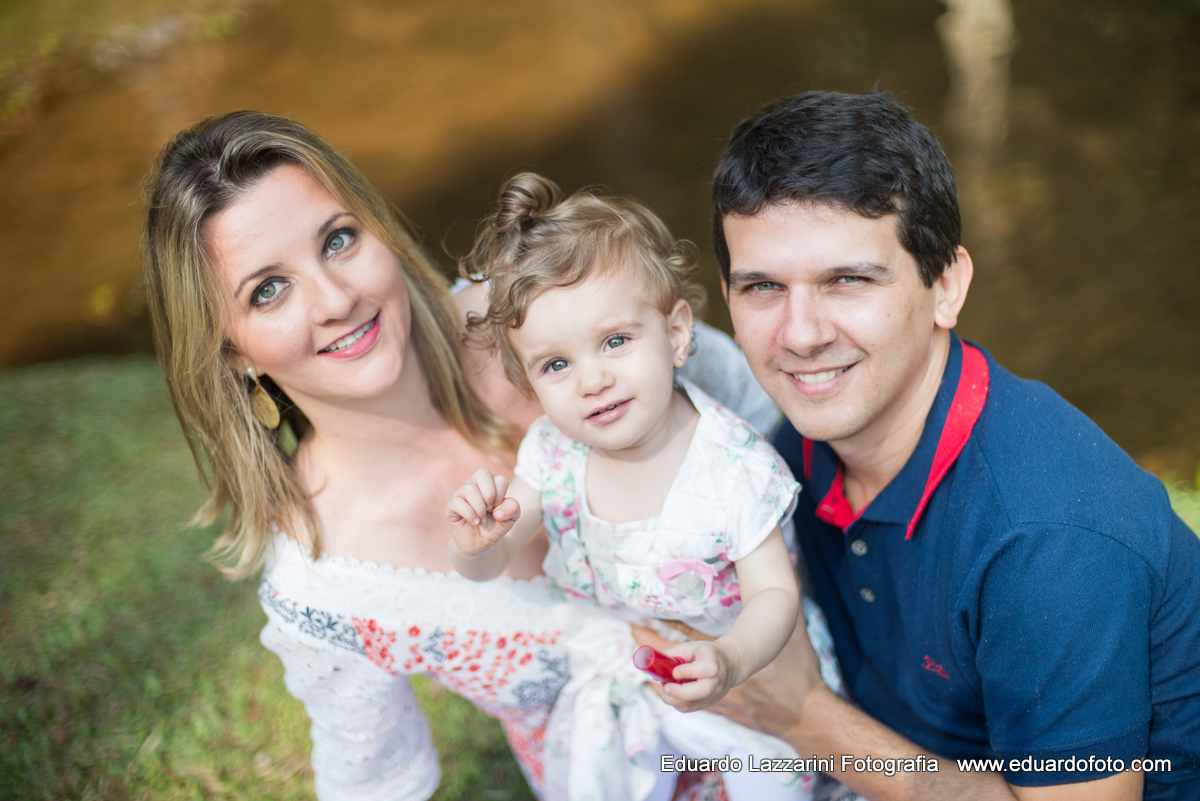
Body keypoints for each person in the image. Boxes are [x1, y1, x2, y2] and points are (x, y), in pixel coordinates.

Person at [141, 110, 784, 801]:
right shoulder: (325, 585)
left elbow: (771, 419)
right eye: (268, 290)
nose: (336, 299)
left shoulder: (548, 310)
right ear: (230, 350)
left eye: (338, 239)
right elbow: (374, 784)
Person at [636, 90, 1200, 801]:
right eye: (763, 287)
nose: (800, 334)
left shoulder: (1045, 536)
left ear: (946, 286)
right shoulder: (788, 456)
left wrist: (801, 715)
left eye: (847, 280)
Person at [445, 173, 849, 801]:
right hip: (635, 666)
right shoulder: (555, 452)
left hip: (746, 668)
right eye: (557, 364)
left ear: (676, 334)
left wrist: (731, 659)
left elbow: (775, 593)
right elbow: (492, 562)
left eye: (615, 341)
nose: (592, 380)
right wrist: (475, 545)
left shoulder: (732, 468)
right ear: (528, 382)